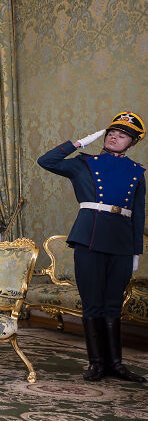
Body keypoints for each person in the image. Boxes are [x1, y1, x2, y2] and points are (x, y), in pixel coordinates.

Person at [38, 111, 146, 383]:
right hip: (90, 237)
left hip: (121, 241)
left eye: (122, 135)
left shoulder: (137, 172)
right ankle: (97, 364)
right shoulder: (84, 164)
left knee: (112, 305)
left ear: (131, 144)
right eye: (112, 132)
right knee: (93, 304)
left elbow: (138, 213)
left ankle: (116, 365)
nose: (114, 137)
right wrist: (79, 143)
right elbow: (46, 161)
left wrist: (135, 251)